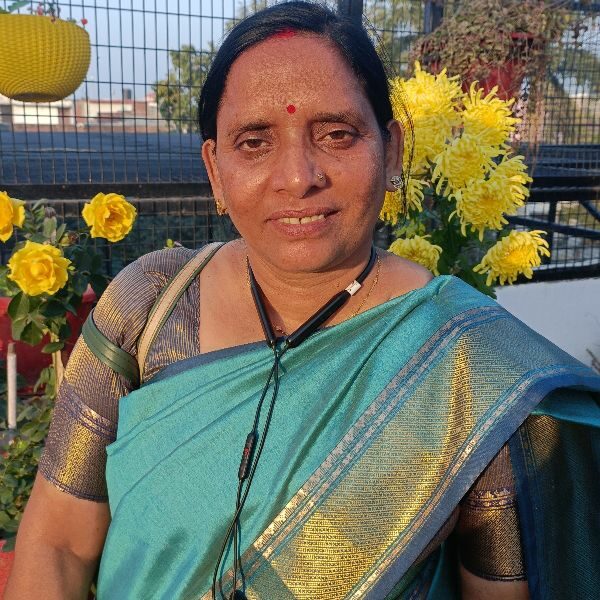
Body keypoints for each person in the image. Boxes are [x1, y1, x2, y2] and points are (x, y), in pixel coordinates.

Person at [6, 2, 599, 599]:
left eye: (337, 135)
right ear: (215, 169)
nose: (297, 177)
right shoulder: (151, 305)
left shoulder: (465, 366)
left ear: (391, 150)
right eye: (254, 142)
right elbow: (57, 544)